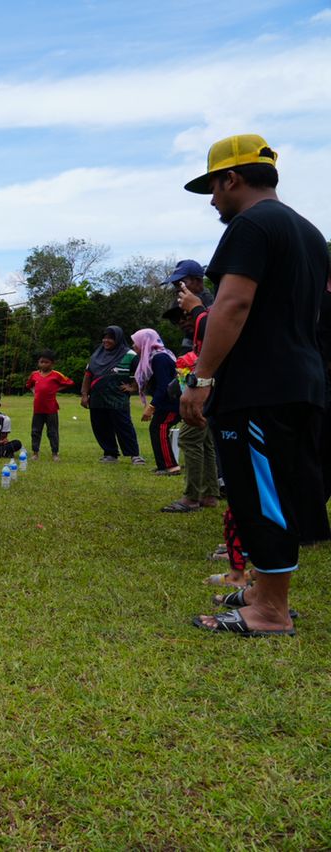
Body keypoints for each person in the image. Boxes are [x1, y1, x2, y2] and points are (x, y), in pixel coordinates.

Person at [180, 134, 329, 637]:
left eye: (213, 189)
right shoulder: (308, 232)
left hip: (260, 387)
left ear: (232, 178)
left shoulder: (250, 225)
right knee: (279, 490)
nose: (212, 202)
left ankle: (270, 612)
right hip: (300, 380)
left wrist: (201, 377)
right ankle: (266, 593)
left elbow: (233, 304)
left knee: (260, 495)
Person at [161, 301, 221, 514]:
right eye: (176, 320)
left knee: (189, 438)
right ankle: (209, 494)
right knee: (205, 442)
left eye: (184, 316)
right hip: (210, 394)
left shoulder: (209, 329)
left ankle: (191, 497)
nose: (181, 322)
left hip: (206, 393)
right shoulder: (195, 337)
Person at [81, 326, 145, 464]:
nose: (106, 340)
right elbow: (88, 375)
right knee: (101, 426)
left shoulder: (129, 354)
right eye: (104, 337)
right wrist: (84, 394)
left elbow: (141, 373)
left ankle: (134, 455)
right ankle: (110, 454)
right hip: (97, 399)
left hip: (118, 399)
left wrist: (133, 387)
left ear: (118, 339)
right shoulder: (96, 355)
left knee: (124, 426)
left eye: (110, 338)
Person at [131, 328, 180, 475]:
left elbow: (164, 386)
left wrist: (152, 406)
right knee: (156, 429)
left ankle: (170, 466)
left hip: (170, 404)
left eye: (136, 342)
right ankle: (163, 465)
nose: (133, 346)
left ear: (144, 342)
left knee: (160, 428)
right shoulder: (155, 356)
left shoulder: (159, 358)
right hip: (166, 403)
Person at [24, 349, 74, 460]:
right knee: (35, 431)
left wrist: (56, 389)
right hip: (38, 409)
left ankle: (55, 453)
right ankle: (35, 453)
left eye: (46, 362)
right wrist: (34, 391)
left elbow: (70, 382)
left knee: (52, 432)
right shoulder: (34, 375)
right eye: (41, 362)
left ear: (52, 363)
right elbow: (28, 385)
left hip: (51, 409)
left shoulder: (56, 375)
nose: (43, 364)